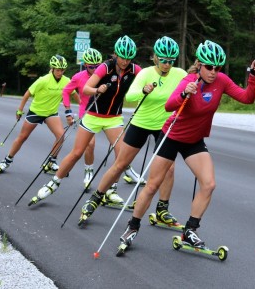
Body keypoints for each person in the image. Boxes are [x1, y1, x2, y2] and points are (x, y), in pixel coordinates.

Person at [118, 40, 255, 250]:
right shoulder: (189, 80)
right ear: (200, 64)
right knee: (152, 185)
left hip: (194, 140)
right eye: (209, 67)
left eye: (217, 68)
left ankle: (189, 231)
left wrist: (253, 76)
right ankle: (132, 226)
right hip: (172, 136)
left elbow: (247, 98)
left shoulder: (221, 81)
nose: (213, 72)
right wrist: (185, 93)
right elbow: (169, 106)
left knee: (209, 184)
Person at [80, 36, 187, 225]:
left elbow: (192, 85)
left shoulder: (180, 74)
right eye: (163, 60)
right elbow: (130, 96)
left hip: (164, 126)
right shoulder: (145, 73)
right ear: (155, 57)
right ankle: (96, 198)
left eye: (171, 61)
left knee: (169, 169)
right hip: (141, 123)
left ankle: (162, 209)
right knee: (121, 164)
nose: (167, 64)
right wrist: (143, 91)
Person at [28, 35, 143, 206]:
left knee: (122, 155)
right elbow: (87, 88)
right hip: (93, 116)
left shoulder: (135, 70)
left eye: (128, 58)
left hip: (113, 118)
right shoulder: (105, 67)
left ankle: (110, 190)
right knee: (77, 152)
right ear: (115, 54)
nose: (125, 61)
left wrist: (148, 88)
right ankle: (53, 183)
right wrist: (98, 89)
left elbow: (148, 81)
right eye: (121, 56)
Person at [63, 48, 144, 191]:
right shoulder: (79, 76)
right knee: (90, 144)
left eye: (96, 65)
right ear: (86, 65)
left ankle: (125, 169)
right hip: (88, 111)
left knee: (120, 148)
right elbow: (68, 91)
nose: (94, 69)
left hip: (108, 115)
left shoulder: (106, 71)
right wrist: (68, 112)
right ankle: (88, 172)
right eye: (90, 66)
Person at [0, 55, 70, 175]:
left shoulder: (66, 81)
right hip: (36, 112)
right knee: (23, 137)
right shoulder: (43, 80)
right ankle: (7, 160)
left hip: (51, 113)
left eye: (62, 70)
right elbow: (27, 94)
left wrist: (83, 106)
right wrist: (20, 110)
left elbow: (73, 93)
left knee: (61, 136)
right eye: (58, 70)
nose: (60, 72)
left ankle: (51, 162)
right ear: (52, 68)